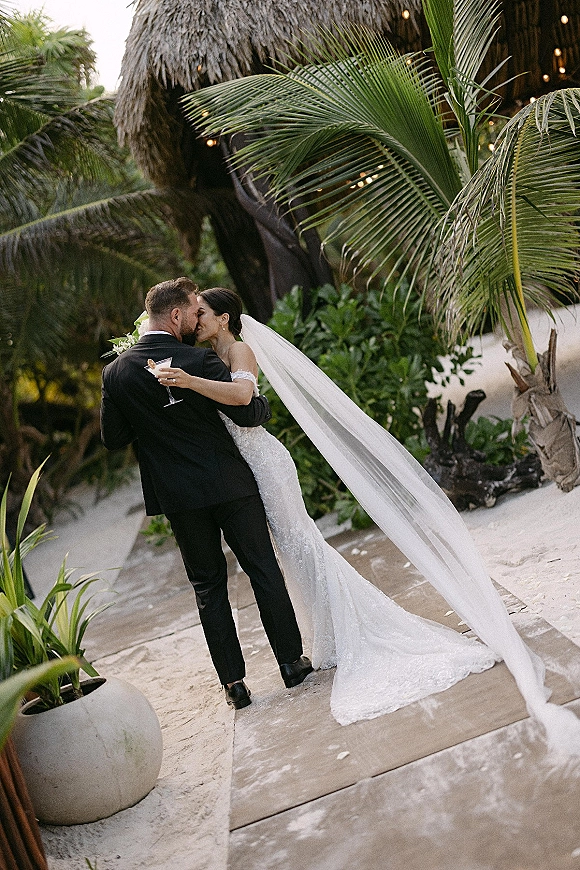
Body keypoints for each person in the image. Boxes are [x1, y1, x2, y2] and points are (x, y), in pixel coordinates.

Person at [153, 288, 500, 725]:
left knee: (299, 542)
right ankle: (326, 634)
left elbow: (242, 398)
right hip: (239, 471)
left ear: (223, 318)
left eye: (201, 313)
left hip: (264, 463)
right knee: (286, 552)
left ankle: (349, 627)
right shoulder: (203, 356)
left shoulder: (238, 349)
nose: (195, 321)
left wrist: (187, 382)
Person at [100, 277, 312, 711]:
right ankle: (291, 663)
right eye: (193, 313)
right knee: (262, 568)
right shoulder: (196, 357)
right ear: (176, 315)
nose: (197, 318)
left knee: (208, 587)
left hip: (178, 497)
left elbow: (113, 437)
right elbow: (248, 410)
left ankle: (234, 685)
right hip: (229, 484)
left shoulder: (117, 371)